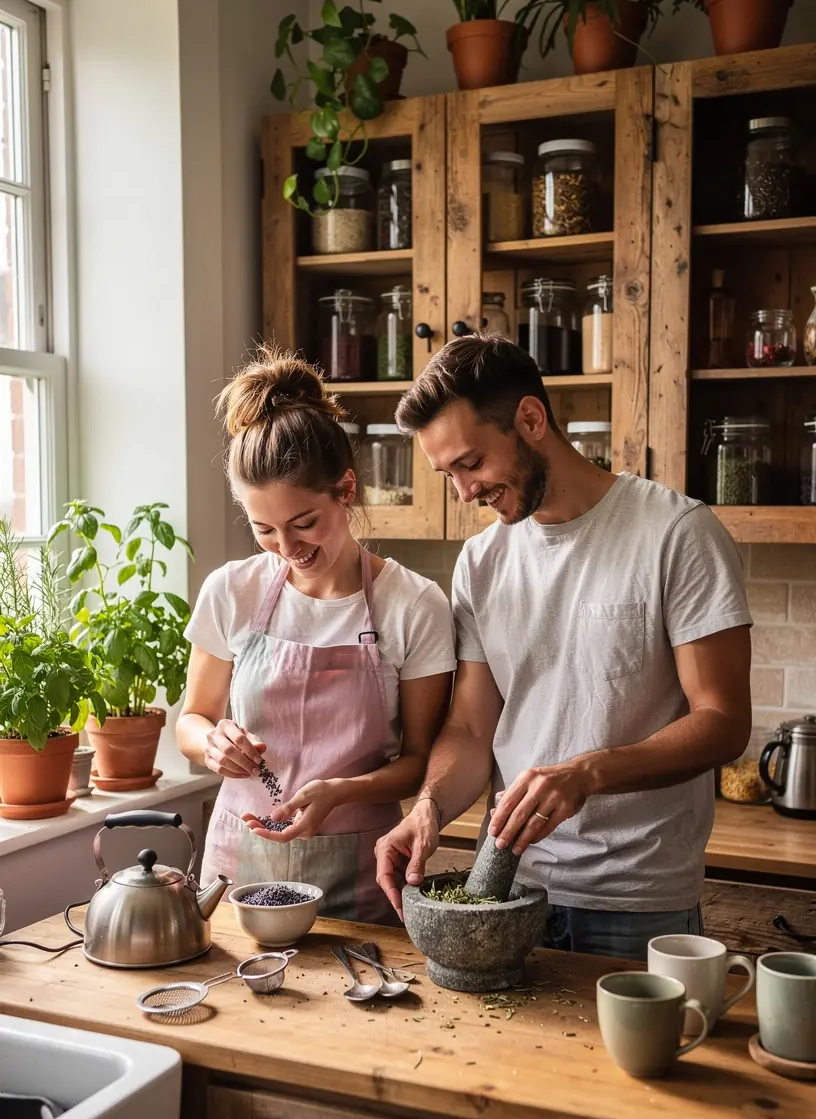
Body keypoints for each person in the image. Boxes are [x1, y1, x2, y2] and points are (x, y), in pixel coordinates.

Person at [375, 333, 753, 959]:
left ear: (529, 419)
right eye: (448, 476)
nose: (465, 493)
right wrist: (430, 808)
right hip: (509, 887)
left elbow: (722, 722)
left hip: (637, 900)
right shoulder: (480, 562)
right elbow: (471, 727)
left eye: (471, 464)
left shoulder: (676, 534)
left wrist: (587, 773)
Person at [176, 347, 455, 924]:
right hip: (236, 872)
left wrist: (339, 791)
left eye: (304, 523)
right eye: (265, 530)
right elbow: (191, 719)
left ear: (345, 489)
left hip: (360, 874)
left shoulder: (415, 605)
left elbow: (420, 762)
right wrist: (211, 743)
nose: (288, 547)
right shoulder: (233, 591)